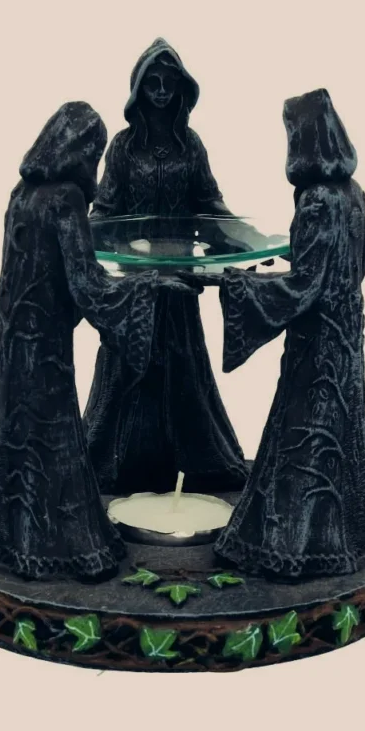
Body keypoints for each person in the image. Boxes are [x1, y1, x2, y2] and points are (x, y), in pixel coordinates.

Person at [0, 101, 189, 582]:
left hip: (11, 343)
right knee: (50, 433)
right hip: (45, 350)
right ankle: (59, 548)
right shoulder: (65, 200)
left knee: (11, 430)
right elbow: (87, 287)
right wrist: (148, 286)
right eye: (94, 151)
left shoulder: (22, 194)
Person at [184, 89, 365, 579]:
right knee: (339, 425)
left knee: (306, 430)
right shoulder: (352, 193)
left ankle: (292, 545)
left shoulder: (317, 201)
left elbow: (305, 285)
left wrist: (236, 284)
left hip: (317, 341)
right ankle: (348, 529)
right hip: (347, 331)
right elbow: (351, 263)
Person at [84, 38, 248, 496]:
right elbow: (105, 209)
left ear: (181, 89)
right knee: (125, 369)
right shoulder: (123, 148)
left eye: (168, 83)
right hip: (136, 285)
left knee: (183, 369)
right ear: (138, 89)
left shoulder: (190, 146)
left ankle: (200, 465)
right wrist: (83, 234)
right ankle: (106, 465)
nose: (160, 91)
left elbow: (210, 204)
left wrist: (244, 237)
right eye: (152, 83)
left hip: (181, 282)